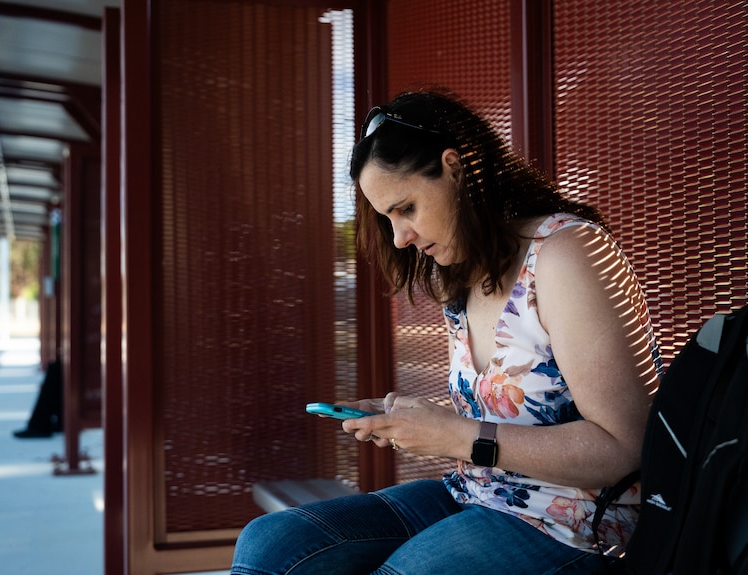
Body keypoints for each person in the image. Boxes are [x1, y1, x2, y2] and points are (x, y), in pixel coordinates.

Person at [230, 89, 661, 574]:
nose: (399, 238)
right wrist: (411, 421)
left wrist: (457, 437)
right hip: (475, 494)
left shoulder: (565, 254)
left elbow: (627, 446)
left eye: (406, 208)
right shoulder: (459, 273)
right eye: (386, 218)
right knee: (272, 544)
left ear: (455, 169)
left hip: (581, 526)